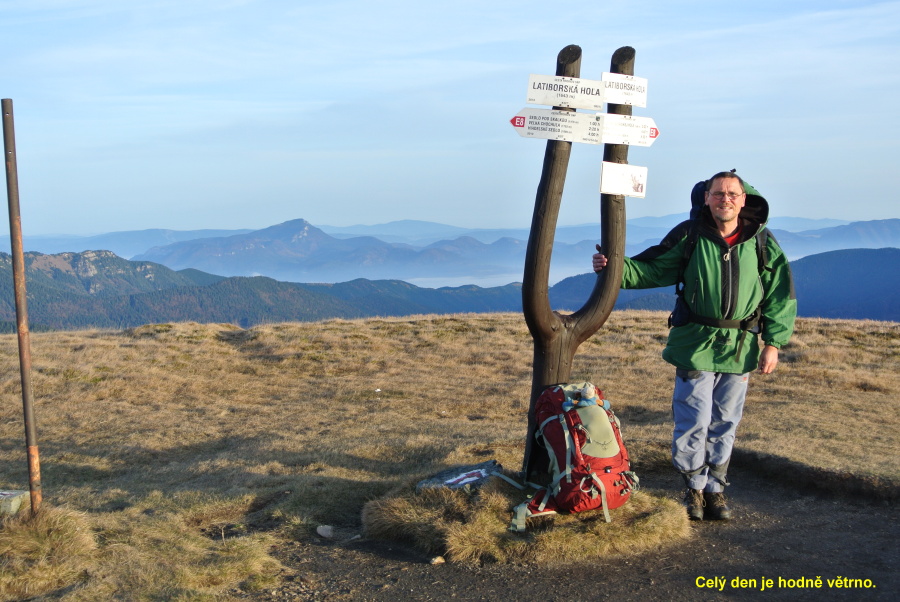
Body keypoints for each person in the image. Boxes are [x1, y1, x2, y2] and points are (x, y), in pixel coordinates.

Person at [592, 171, 796, 521]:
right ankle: (694, 489)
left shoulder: (762, 241)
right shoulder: (690, 236)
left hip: (740, 346)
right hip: (695, 344)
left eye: (732, 193)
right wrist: (612, 269)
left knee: (725, 421)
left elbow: (780, 292)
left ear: (744, 199)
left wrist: (773, 343)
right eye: (718, 193)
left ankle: (716, 489)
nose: (725, 199)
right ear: (706, 197)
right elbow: (652, 270)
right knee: (693, 419)